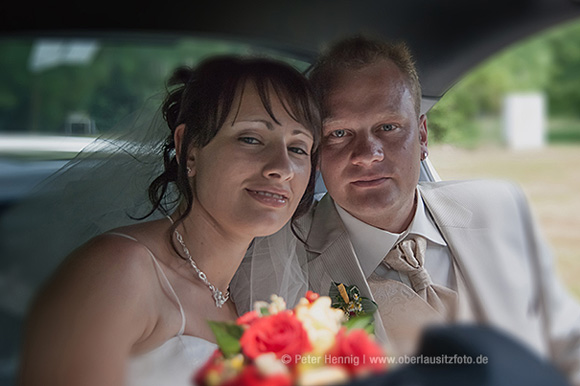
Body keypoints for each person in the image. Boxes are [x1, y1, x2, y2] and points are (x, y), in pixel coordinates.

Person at [230, 35, 580, 385]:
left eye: (388, 127)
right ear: (316, 152)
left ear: (423, 136)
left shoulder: (497, 207)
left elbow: (567, 343)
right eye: (339, 133)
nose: (368, 153)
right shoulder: (278, 259)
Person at [16, 55, 321, 386]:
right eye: (251, 138)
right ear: (189, 149)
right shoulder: (120, 272)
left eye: (298, 148)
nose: (283, 167)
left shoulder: (246, 300)